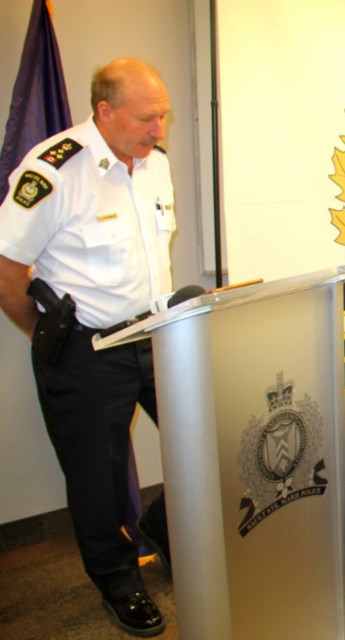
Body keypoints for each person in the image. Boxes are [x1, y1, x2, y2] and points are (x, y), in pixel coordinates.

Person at [0, 58, 176, 637]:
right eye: (147, 118)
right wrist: (53, 338)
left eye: (164, 117)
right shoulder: (54, 172)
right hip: (88, 348)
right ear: (105, 111)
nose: (159, 130)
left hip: (156, 335)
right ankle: (119, 581)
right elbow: (7, 267)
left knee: (211, 444)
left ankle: (162, 530)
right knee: (97, 480)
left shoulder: (155, 168)